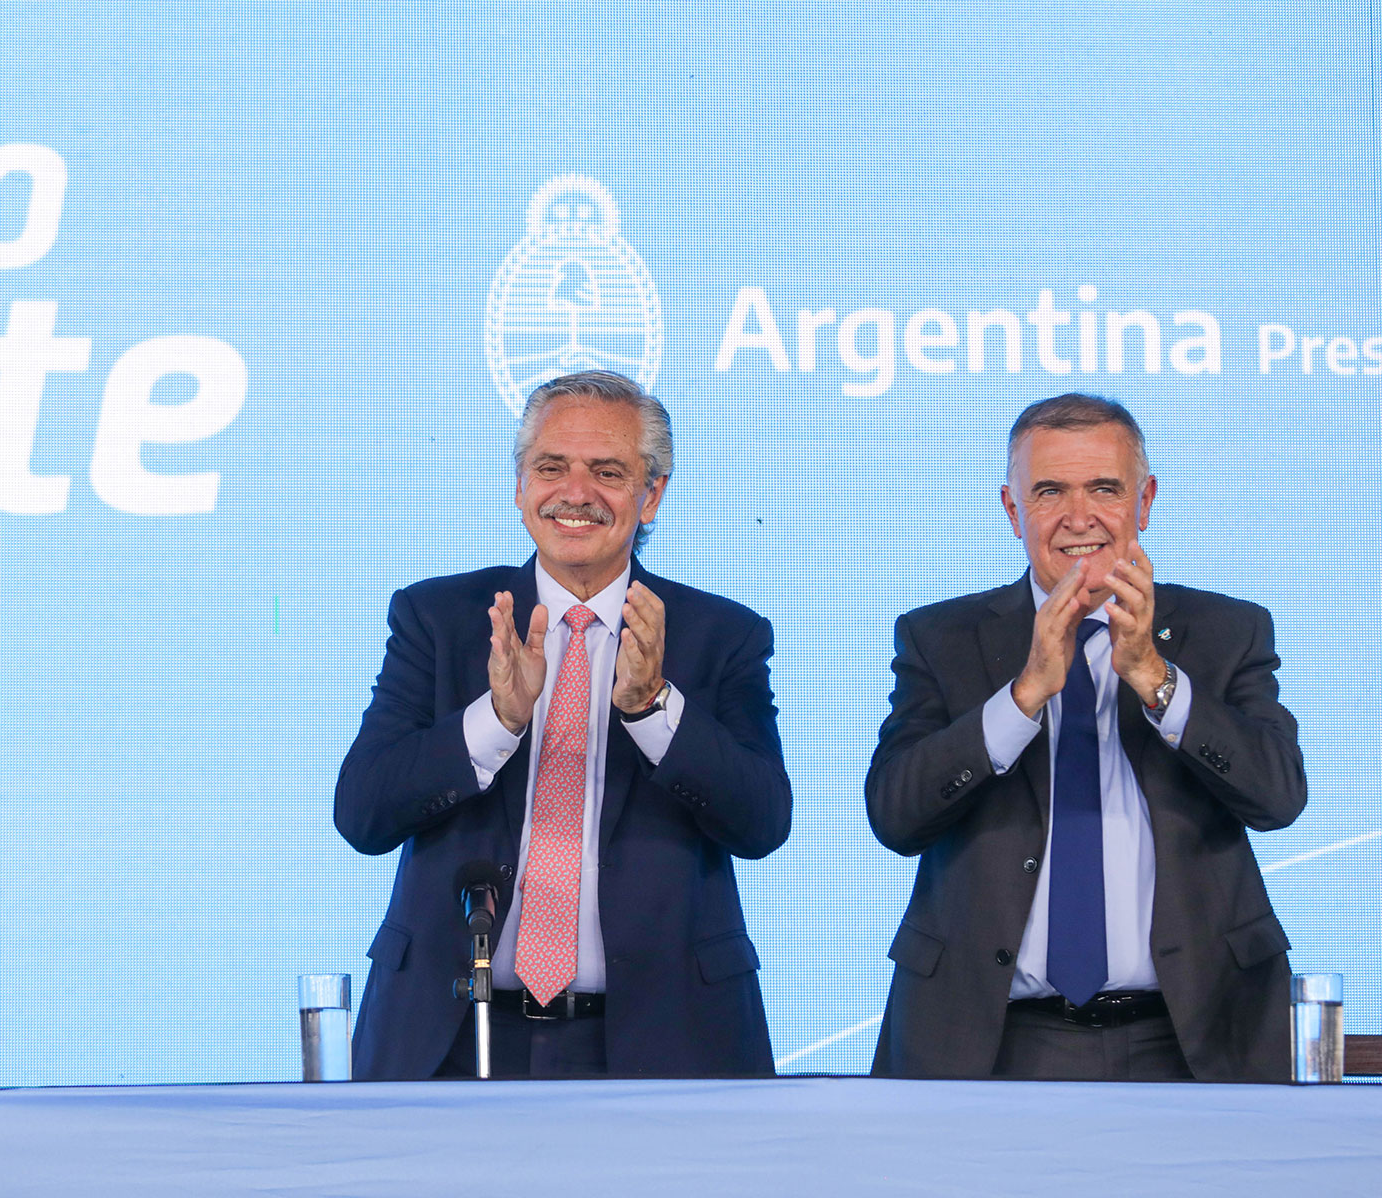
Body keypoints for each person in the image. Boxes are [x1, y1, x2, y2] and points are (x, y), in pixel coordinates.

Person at [336, 370, 791, 1079]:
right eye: (551, 468)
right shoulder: (440, 619)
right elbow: (363, 813)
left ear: (652, 494)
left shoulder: (717, 635)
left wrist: (653, 707)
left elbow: (762, 823)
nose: (575, 493)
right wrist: (497, 719)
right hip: (453, 1037)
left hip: (663, 1045)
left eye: (607, 471)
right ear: (520, 486)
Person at [866, 393, 1305, 1082]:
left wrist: (1157, 679)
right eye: (1049, 491)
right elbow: (896, 814)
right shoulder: (940, 638)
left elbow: (1278, 797)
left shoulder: (1226, 632)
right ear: (1013, 511)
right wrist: (1023, 695)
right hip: (995, 1040)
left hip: (1196, 1035)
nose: (1079, 517)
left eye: (1105, 488)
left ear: (1145, 500)